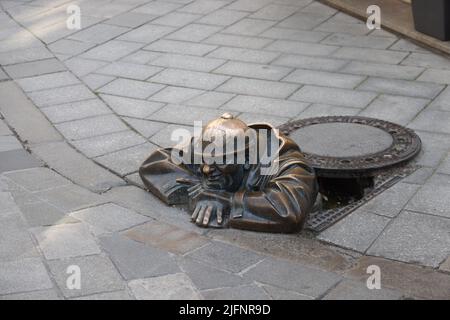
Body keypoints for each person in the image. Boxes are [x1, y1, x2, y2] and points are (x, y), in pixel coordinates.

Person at [139, 113, 318, 233]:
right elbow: (155, 162)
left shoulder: (284, 160)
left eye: (220, 163)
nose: (207, 169)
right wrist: (196, 192)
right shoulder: (211, 148)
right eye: (206, 162)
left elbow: (290, 209)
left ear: (246, 159)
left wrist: (228, 202)